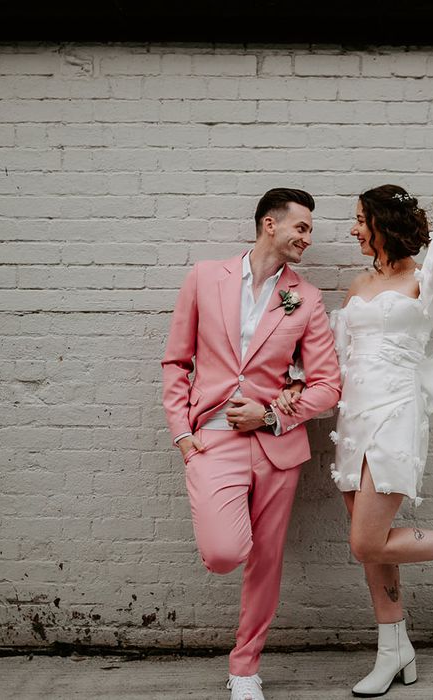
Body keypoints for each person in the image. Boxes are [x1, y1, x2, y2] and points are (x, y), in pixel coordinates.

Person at [275, 178, 433, 697]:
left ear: (382, 225)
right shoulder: (358, 286)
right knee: (375, 551)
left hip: (396, 412)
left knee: (366, 540)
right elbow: (334, 355)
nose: (353, 230)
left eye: (360, 221)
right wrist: (297, 380)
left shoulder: (426, 279)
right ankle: (395, 652)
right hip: (354, 417)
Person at [161, 188, 341, 700]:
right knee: (224, 552)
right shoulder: (204, 277)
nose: (309, 237)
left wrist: (270, 414)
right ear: (270, 224)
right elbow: (176, 362)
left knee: (267, 560)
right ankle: (203, 472)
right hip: (212, 440)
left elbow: (328, 384)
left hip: (276, 448)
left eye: (310, 229)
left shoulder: (304, 298)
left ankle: (245, 670)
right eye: (302, 227)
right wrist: (183, 437)